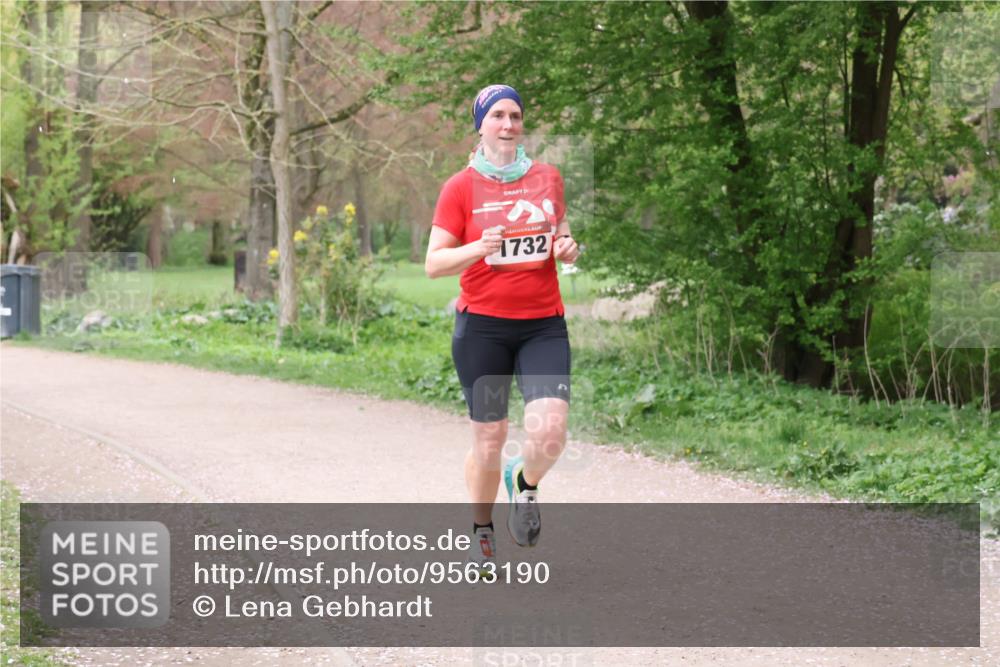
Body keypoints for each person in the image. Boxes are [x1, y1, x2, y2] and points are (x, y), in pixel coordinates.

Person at [424, 84, 580, 580]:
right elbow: (433, 264)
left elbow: (561, 234)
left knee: (551, 430)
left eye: (515, 115)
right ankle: (482, 529)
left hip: (542, 326)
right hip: (483, 330)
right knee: (489, 440)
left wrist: (569, 249)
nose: (509, 124)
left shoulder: (548, 178)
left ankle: (525, 481)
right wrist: (476, 247)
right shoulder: (460, 187)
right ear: (481, 125)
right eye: (498, 116)